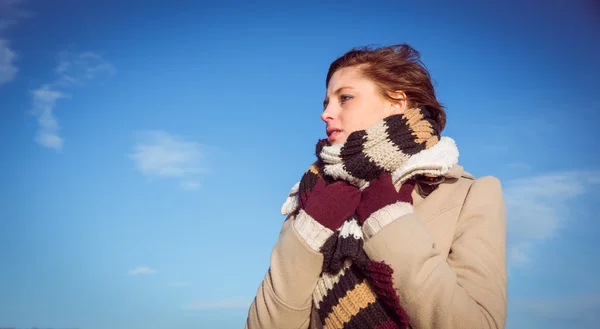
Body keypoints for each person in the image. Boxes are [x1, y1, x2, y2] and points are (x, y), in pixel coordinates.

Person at [245, 44, 507, 329]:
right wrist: (308, 232)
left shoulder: (470, 195)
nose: (326, 113)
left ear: (396, 103)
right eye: (325, 103)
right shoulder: (312, 198)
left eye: (345, 98)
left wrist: (388, 221)